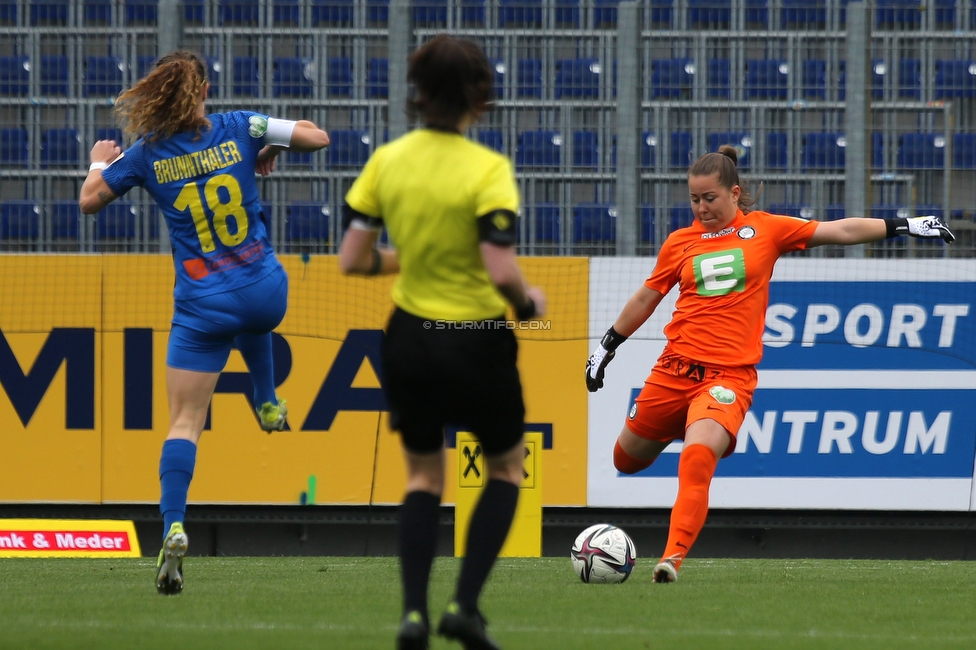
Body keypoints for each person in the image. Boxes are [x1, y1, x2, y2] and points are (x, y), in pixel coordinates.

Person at [586, 145, 955, 584]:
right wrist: (607, 345)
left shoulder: (766, 230)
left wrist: (903, 225)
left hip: (727, 378)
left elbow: (837, 231)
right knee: (625, 461)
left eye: (710, 198)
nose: (701, 207)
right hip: (673, 370)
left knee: (697, 457)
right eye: (694, 199)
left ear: (734, 193)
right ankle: (689, 424)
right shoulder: (679, 244)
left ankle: (672, 559)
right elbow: (648, 297)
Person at [78, 50, 330, 595]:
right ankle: (267, 398)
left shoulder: (145, 155)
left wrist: (100, 161)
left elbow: (89, 201)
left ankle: (173, 527)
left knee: (185, 422)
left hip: (202, 307)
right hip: (265, 293)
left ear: (156, 98)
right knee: (252, 310)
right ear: (205, 92)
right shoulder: (241, 126)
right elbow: (317, 137)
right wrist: (267, 145)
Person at [338, 34, 546, 650]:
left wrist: (403, 263)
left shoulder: (388, 161)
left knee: (424, 478)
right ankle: (464, 606)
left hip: (408, 338)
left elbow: (352, 259)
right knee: (506, 466)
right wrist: (529, 306)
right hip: (477, 338)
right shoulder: (488, 170)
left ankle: (411, 616)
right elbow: (502, 270)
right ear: (479, 97)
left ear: (418, 91)